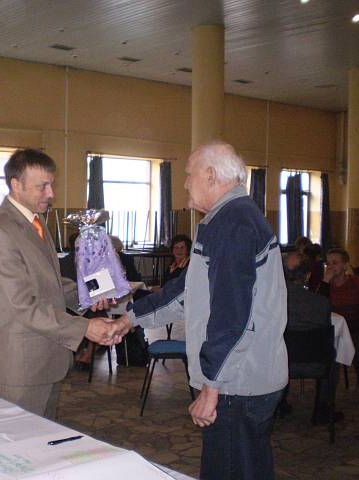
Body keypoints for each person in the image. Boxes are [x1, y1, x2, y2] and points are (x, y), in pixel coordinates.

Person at [117, 141, 288, 479]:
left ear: (211, 175)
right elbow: (186, 292)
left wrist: (212, 387)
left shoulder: (233, 223)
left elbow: (232, 315)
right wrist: (130, 318)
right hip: (239, 380)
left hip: (236, 384)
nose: (184, 183)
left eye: (188, 174)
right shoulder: (227, 219)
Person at [0, 149, 123, 419]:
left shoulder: (35, 221)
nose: (51, 193)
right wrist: (85, 327)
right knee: (19, 441)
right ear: (16, 185)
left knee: (43, 438)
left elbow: (48, 282)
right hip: (21, 366)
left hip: (46, 358)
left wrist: (90, 294)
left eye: (51, 184)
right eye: (42, 186)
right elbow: (22, 305)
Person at [281, 252, 337, 422]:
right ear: (307, 276)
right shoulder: (321, 303)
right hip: (316, 365)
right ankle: (322, 408)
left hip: (281, 365)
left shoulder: (274, 302)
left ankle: (279, 404)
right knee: (332, 353)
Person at [317, 248, 359, 389]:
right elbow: (318, 307)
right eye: (328, 263)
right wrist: (325, 281)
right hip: (332, 331)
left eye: (335, 263)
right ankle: (328, 393)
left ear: (345, 265)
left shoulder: (357, 283)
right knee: (330, 354)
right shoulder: (325, 285)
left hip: (355, 328)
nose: (330, 267)